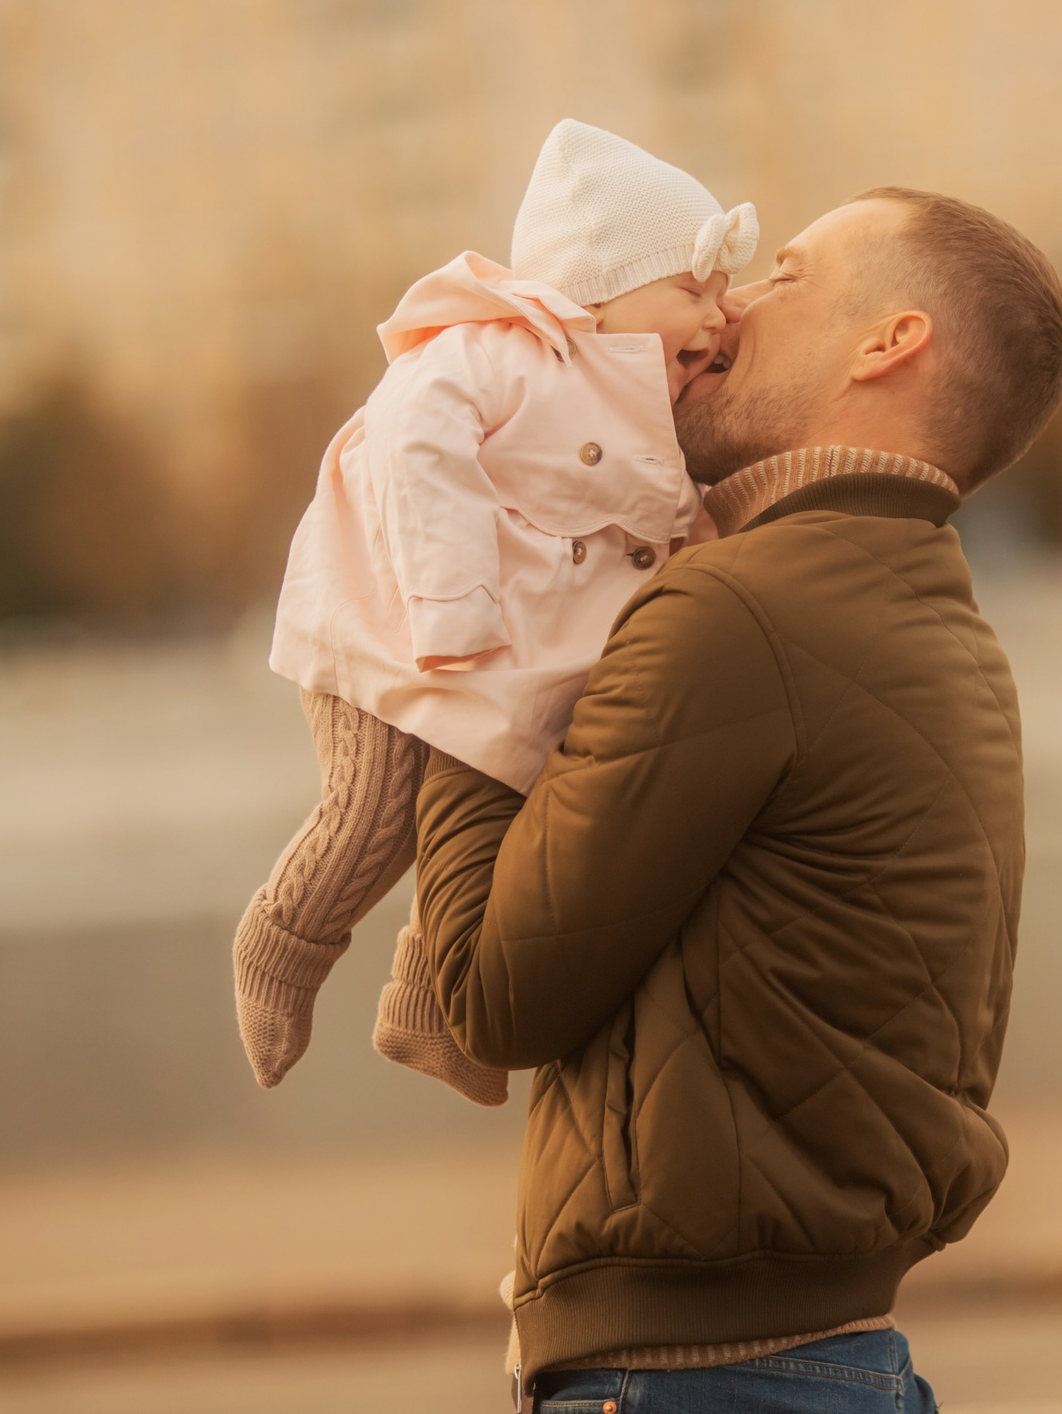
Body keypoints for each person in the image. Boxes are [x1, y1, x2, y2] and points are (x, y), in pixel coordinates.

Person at [414, 186, 1062, 1411]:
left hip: (699, 1383)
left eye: (784, 274)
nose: (729, 307)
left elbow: (489, 994)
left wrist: (462, 667)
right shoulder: (927, 618)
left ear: (889, 342)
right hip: (828, 1359)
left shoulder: (742, 614)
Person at [233, 119, 758, 1106]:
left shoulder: (650, 412)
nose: (719, 315)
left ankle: (428, 1008)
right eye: (694, 289)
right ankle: (280, 943)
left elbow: (683, 523)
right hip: (394, 629)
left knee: (523, 825)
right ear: (592, 291)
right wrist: (450, 603)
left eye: (722, 291)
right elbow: (412, 443)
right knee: (374, 818)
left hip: (508, 668)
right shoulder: (495, 352)